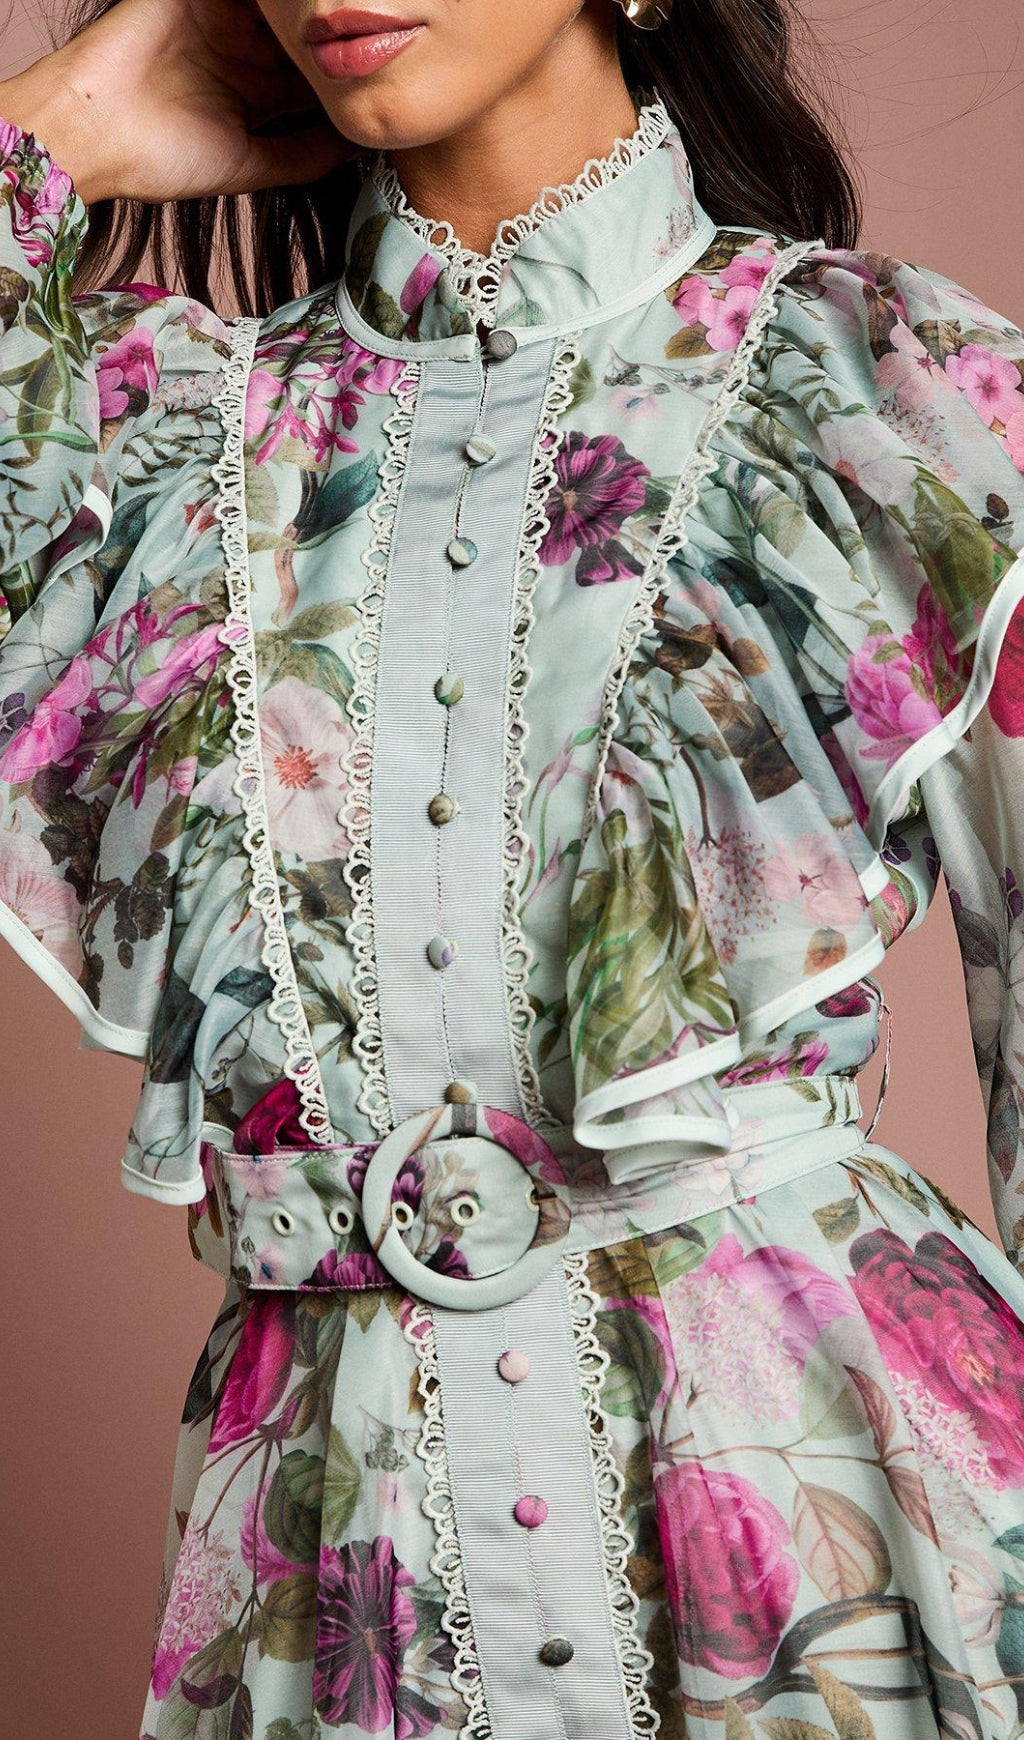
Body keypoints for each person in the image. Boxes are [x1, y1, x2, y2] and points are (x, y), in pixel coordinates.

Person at [1, 0, 1023, 1731]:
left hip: (828, 1532)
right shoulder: (153, 451)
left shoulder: (885, 388)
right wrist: (57, 126)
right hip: (340, 1577)